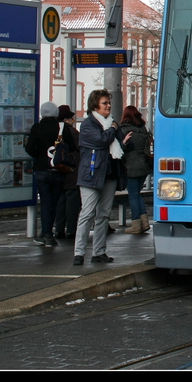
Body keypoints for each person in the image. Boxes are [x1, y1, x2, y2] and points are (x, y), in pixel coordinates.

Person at [73, 89, 132, 265]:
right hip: (91, 174)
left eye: (109, 103)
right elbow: (101, 140)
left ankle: (99, 252)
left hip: (109, 174)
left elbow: (120, 147)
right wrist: (113, 129)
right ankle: (79, 252)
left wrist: (125, 143)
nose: (108, 106)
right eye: (104, 103)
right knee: (87, 213)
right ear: (95, 105)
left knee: (104, 215)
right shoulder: (89, 124)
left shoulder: (112, 124)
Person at [25, 101, 65, 247]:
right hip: (58, 170)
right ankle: (48, 232)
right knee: (54, 203)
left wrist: (40, 156)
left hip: (42, 169)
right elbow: (72, 147)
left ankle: (47, 234)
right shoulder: (61, 128)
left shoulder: (37, 128)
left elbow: (29, 148)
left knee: (46, 203)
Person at [120, 106, 152, 234]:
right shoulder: (143, 130)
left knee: (133, 195)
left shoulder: (124, 130)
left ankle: (136, 224)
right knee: (137, 193)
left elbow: (122, 149)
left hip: (131, 166)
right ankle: (144, 223)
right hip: (144, 166)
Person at [53, 105, 81, 240]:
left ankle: (59, 229)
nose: (73, 121)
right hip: (71, 171)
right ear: (66, 119)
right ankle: (71, 230)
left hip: (58, 170)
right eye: (72, 118)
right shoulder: (71, 131)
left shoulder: (54, 130)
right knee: (72, 203)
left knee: (60, 202)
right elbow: (80, 146)